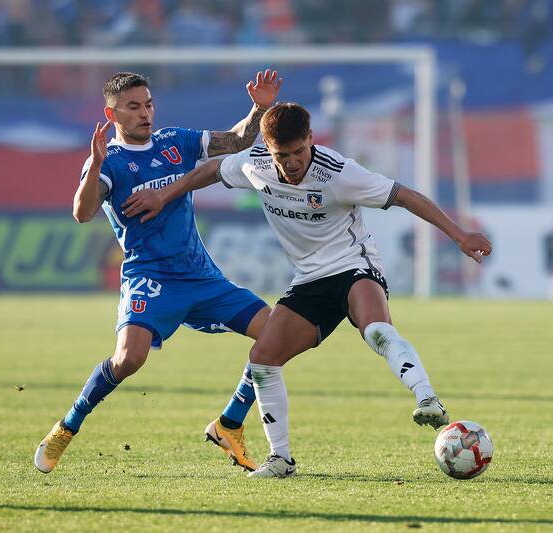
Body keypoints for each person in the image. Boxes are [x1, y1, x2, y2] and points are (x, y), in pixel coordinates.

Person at [122, 102, 492, 478]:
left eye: (300, 151)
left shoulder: (339, 172)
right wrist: (163, 195)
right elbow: (213, 170)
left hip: (354, 266)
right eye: (285, 154)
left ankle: (427, 398)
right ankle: (280, 458)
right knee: (263, 357)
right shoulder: (256, 164)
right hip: (309, 282)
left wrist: (460, 236)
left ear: (311, 140)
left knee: (377, 331)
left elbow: (405, 195)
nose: (295, 161)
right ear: (268, 148)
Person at [34, 70, 283, 474]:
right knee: (129, 360)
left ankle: (229, 424)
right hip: (150, 277)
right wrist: (94, 165)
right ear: (111, 113)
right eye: (133, 107)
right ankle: (67, 426)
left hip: (200, 276)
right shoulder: (110, 162)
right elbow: (82, 213)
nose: (145, 113)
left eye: (148, 104)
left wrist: (259, 107)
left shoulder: (175, 141)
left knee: (277, 333)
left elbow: (237, 140)